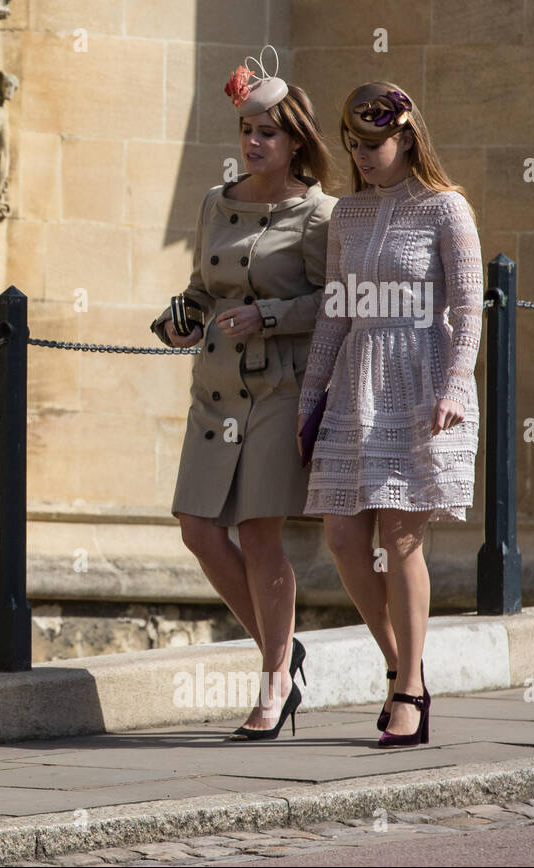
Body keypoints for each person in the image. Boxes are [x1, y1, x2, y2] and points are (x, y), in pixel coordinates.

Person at [151, 47, 335, 741]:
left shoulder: (319, 215)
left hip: (280, 384)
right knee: (198, 529)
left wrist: (270, 316)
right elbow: (201, 288)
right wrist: (180, 319)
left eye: (268, 133)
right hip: (216, 386)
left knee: (259, 533)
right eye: (247, 132)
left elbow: (332, 303)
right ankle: (282, 653)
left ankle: (274, 678)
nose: (254, 144)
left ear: (295, 141)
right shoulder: (214, 203)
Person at [298, 83, 481, 748]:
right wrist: (310, 397)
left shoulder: (446, 209)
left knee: (400, 538)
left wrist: (456, 385)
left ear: (406, 137)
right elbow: (334, 312)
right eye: (352, 145)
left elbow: (468, 308)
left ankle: (408, 693)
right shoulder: (345, 214)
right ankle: (402, 665)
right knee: (344, 538)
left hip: (422, 381)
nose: (361, 155)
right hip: (356, 382)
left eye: (372, 144)